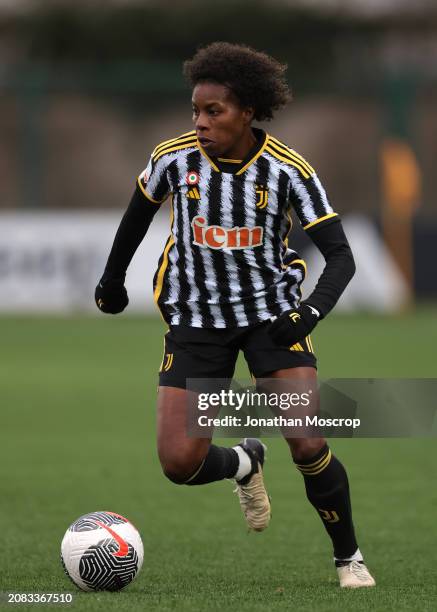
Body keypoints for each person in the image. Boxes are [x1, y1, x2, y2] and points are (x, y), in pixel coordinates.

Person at [95, 42, 375, 588]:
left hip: (272, 317)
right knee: (179, 464)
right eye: (195, 112)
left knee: (308, 441)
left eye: (213, 112)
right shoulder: (173, 159)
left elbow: (340, 255)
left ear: (247, 110)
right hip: (196, 321)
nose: (200, 123)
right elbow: (134, 220)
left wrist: (309, 314)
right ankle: (245, 463)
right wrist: (111, 279)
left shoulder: (288, 171)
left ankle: (349, 558)